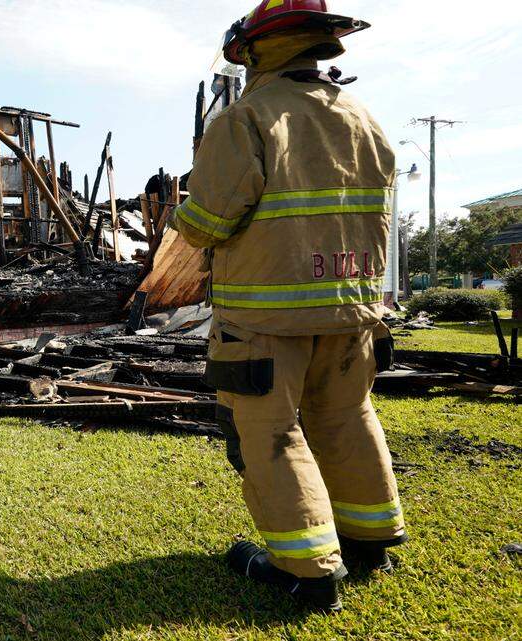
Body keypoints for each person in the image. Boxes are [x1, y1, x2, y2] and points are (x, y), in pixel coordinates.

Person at [170, 0, 407, 613]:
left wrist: (182, 211)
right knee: (347, 416)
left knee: (269, 432)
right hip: (353, 311)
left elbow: (206, 223)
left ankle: (305, 569)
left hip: (265, 321)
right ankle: (372, 536)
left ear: (256, 48)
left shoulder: (247, 118)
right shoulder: (363, 118)